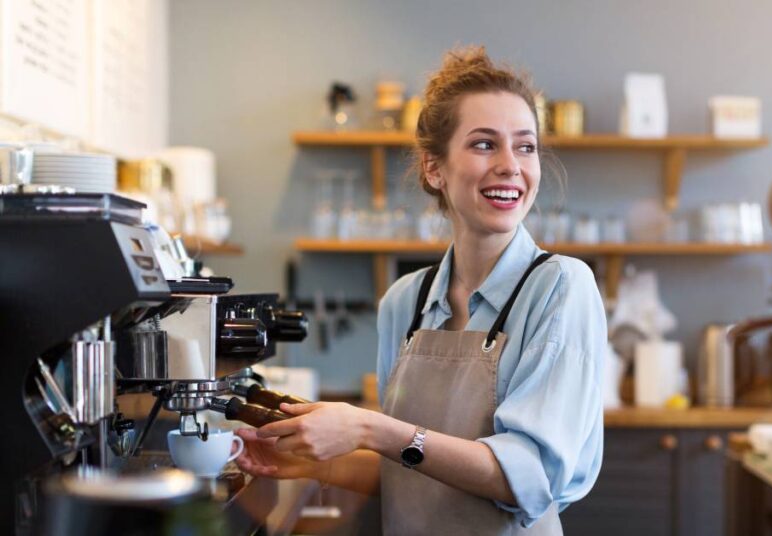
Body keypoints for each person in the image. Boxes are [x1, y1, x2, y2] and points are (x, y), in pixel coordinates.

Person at [235, 46, 606, 535]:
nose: (511, 165)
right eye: (483, 144)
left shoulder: (560, 287)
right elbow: (410, 465)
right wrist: (314, 463)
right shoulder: (406, 301)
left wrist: (368, 427)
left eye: (525, 145)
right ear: (435, 168)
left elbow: (531, 478)